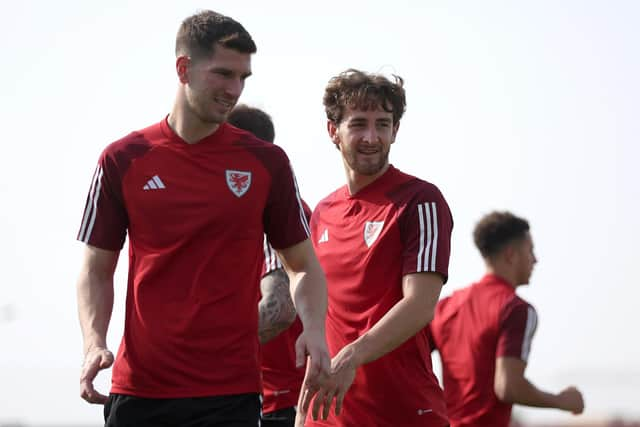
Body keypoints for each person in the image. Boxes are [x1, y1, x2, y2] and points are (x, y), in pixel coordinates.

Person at [75, 11, 332, 427]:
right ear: (183, 69)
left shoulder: (266, 162)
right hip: (140, 389)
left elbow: (302, 266)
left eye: (243, 78)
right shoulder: (122, 159)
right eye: (223, 75)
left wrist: (316, 330)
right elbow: (95, 268)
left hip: (230, 394)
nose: (235, 90)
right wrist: (93, 343)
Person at [299, 69, 454, 426]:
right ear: (333, 131)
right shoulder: (322, 212)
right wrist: (303, 413)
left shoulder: (420, 200)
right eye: (358, 124)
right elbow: (323, 316)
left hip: (405, 412)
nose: (371, 137)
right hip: (330, 418)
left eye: (383, 124)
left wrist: (351, 357)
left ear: (395, 131)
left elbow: (420, 304)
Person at [427, 211, 585, 427]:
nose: (535, 259)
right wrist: (562, 401)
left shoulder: (446, 306)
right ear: (511, 255)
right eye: (530, 250)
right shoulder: (516, 309)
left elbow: (411, 363)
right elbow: (508, 387)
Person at [227, 104, 308, 427]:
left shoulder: (266, 211)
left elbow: (279, 308)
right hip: (278, 398)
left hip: (281, 403)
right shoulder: (290, 210)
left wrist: (202, 354)